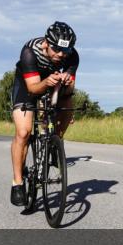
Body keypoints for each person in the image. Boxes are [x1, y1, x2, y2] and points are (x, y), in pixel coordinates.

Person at [9, 22, 79, 207]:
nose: (60, 55)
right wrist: (47, 81)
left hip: (52, 82)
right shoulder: (29, 52)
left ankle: (56, 141)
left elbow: (70, 90)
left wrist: (66, 81)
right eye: (56, 49)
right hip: (27, 85)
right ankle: (17, 182)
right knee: (23, 132)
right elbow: (33, 89)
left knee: (67, 104)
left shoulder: (72, 56)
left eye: (65, 51)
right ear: (46, 43)